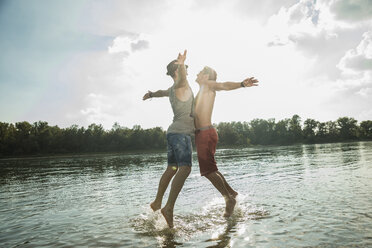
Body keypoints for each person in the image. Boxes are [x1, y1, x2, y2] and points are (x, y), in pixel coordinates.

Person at [194, 66, 258, 217]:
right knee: (212, 169)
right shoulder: (202, 90)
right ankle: (231, 193)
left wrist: (241, 84)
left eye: (200, 72)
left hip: (205, 133)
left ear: (206, 77)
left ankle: (228, 199)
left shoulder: (208, 86)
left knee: (208, 172)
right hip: (204, 133)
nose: (196, 73)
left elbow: (224, 85)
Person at [142, 50, 194, 228]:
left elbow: (161, 92)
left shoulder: (173, 89)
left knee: (172, 168)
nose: (187, 71)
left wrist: (151, 94)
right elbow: (181, 78)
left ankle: (157, 202)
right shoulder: (181, 85)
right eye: (185, 69)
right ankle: (168, 207)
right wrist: (181, 63)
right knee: (185, 168)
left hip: (172, 133)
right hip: (180, 134)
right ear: (178, 72)